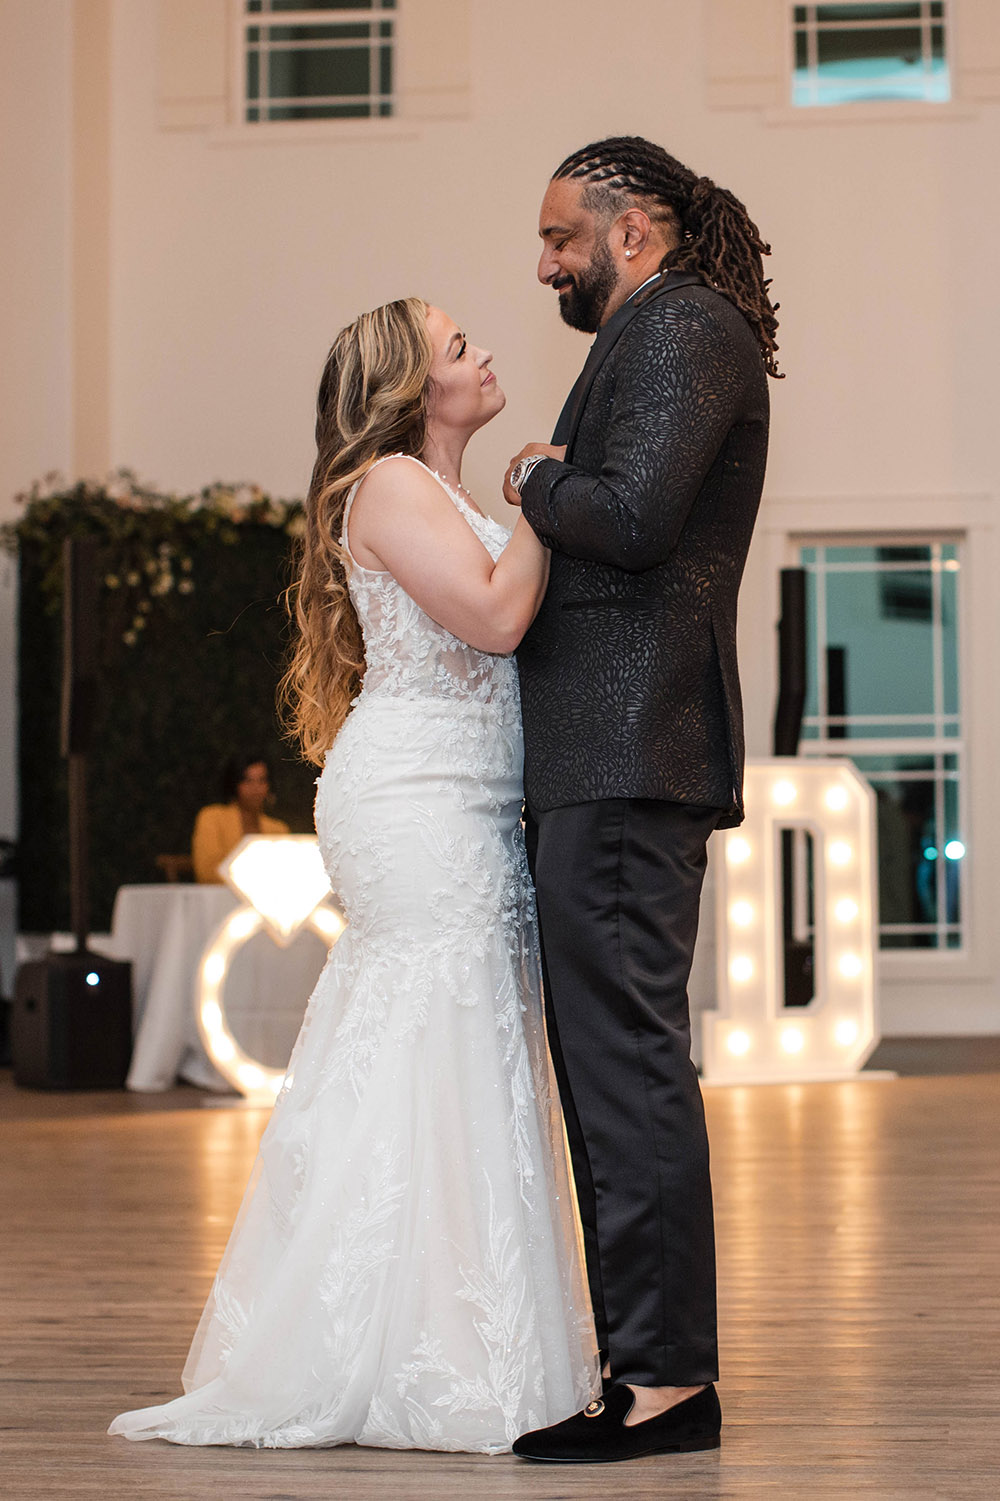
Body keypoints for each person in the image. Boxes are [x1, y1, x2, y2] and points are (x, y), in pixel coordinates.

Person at [108, 298, 598, 1453]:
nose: (484, 355)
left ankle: (453, 1338)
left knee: (460, 1044)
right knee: (433, 1039)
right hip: (417, 801)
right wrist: (544, 502)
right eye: (457, 347)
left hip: (463, 796)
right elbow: (490, 616)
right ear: (411, 391)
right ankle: (405, 1353)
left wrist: (521, 504)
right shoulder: (388, 485)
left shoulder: (447, 495)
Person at [504, 136, 781, 1464]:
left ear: (640, 229)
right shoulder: (662, 326)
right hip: (603, 756)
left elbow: (631, 517)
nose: (546, 260)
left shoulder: (684, 326)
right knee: (611, 1074)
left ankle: (667, 1384)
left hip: (628, 754)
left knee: (625, 1078)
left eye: (564, 235)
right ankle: (648, 1371)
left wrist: (533, 480)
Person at [191, 755, 289, 884]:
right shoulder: (212, 817)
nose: (256, 788)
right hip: (219, 898)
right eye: (248, 781)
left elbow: (284, 874)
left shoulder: (278, 828)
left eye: (262, 780)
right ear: (234, 783)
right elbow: (207, 871)